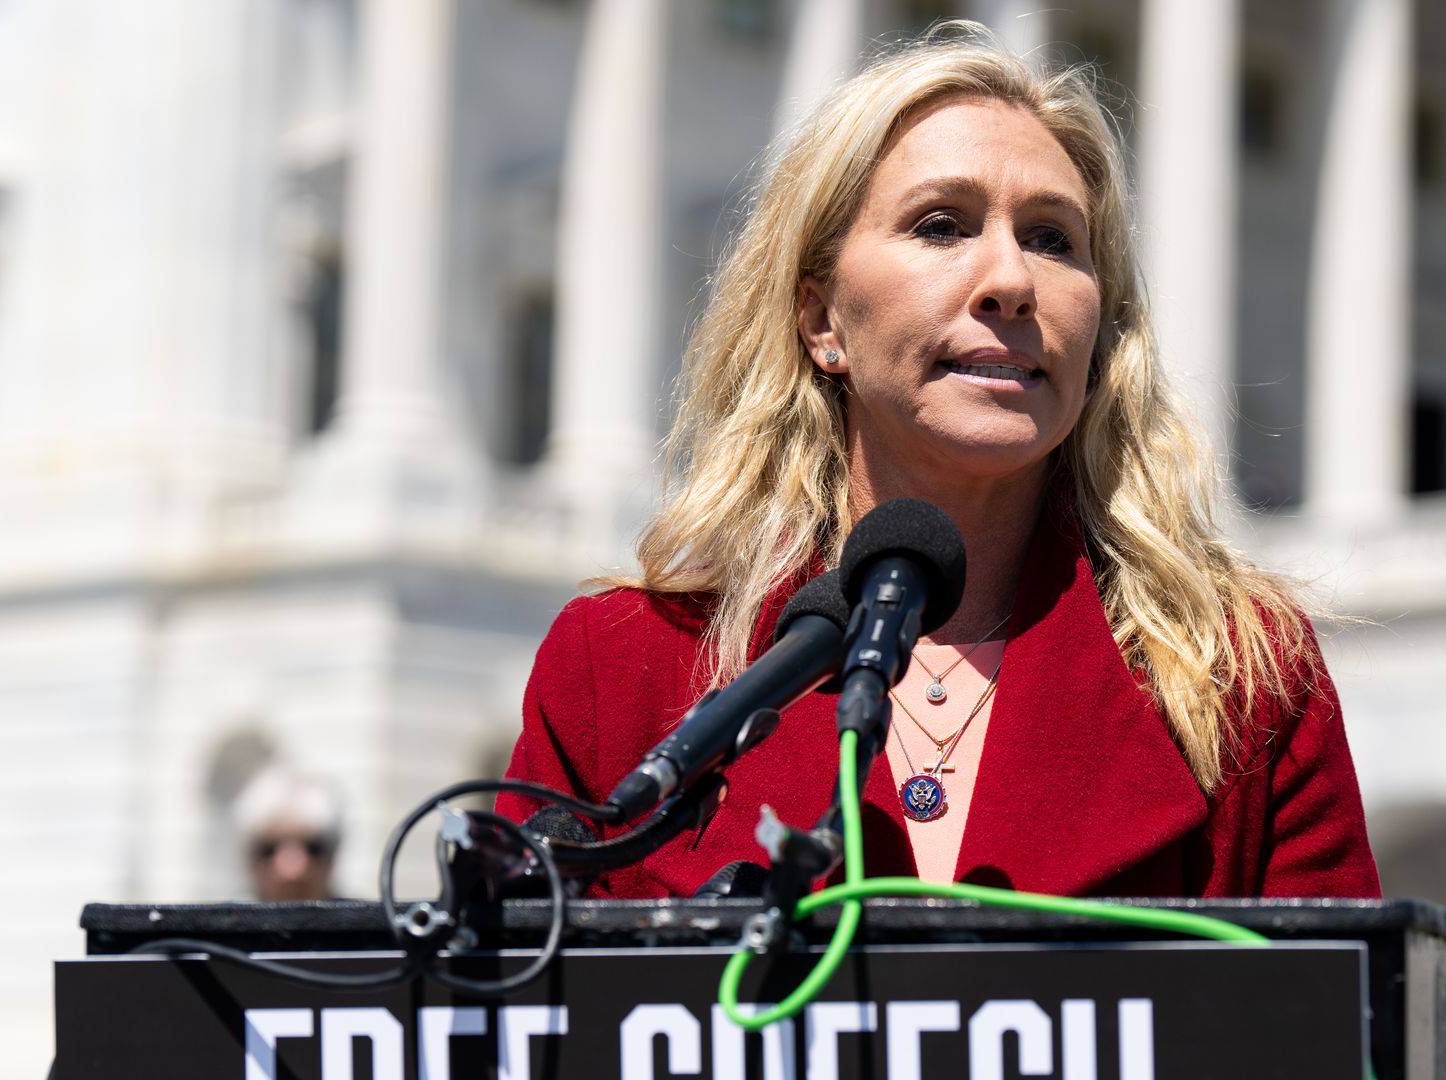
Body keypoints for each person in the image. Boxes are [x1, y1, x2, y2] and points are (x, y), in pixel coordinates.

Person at [502, 26, 1379, 900]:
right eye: (940, 225)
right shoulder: (620, 667)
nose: (1010, 279)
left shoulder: (1243, 679)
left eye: (1052, 239)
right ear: (822, 321)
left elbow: (1342, 1024)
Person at [233, 766, 343, 902]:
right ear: (248, 860)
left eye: (312, 849)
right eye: (269, 850)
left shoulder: (367, 920)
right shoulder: (219, 921)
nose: (291, 871)